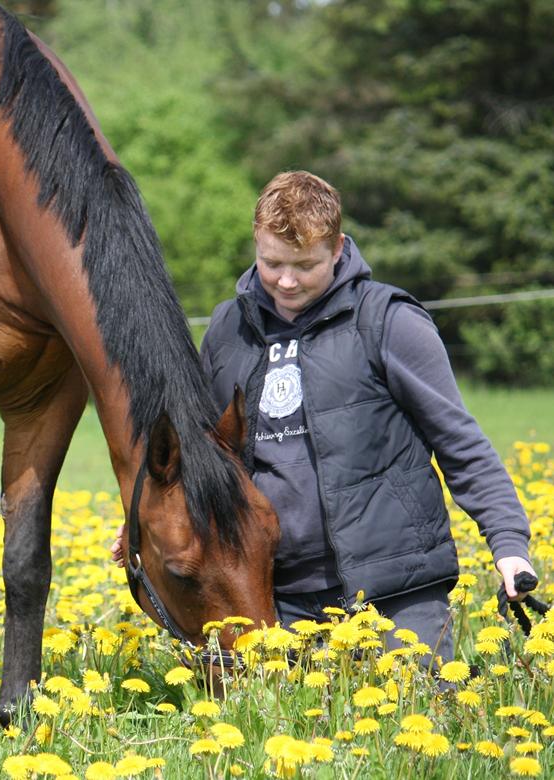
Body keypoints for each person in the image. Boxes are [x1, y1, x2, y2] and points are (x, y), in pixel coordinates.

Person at [111, 170, 536, 664]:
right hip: (278, 598)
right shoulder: (228, 329)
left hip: (393, 591)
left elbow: (459, 441)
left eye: (305, 265)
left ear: (337, 249)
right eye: (272, 263)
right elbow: (201, 459)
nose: (286, 280)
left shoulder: (387, 321)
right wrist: (144, 520)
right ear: (256, 243)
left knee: (419, 704)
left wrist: (508, 543)